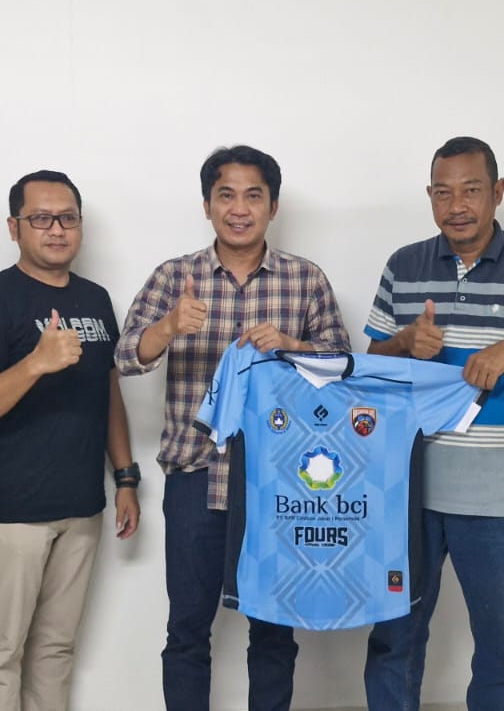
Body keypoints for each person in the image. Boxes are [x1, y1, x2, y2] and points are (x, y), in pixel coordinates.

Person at [363, 136, 504, 710]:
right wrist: (403, 342)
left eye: (471, 190)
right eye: (443, 193)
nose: (457, 205)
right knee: (394, 636)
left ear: (498, 192)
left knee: (499, 648)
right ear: (430, 196)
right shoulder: (404, 265)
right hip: (407, 489)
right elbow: (369, 367)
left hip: (498, 494)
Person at [116, 145, 350, 711]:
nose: (239, 209)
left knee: (273, 630)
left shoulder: (305, 279)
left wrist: (293, 346)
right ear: (207, 205)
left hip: (280, 481)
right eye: (226, 195)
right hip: (196, 476)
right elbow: (125, 357)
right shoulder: (175, 276)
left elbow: (343, 369)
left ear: (273, 206)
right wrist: (168, 326)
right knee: (187, 628)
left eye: (253, 196)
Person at [0, 170, 139, 711]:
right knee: (1, 653)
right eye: (40, 218)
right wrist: (35, 363)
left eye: (67, 218)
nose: (56, 229)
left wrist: (125, 476)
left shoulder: (96, 298)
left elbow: (109, 393)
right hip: (16, 512)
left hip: (82, 507)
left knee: (57, 649)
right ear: (14, 227)